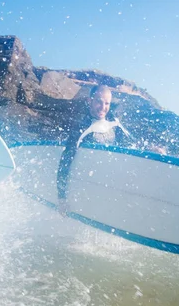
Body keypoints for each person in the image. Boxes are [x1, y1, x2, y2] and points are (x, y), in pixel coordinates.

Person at [56, 85, 133, 214]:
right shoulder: (82, 128)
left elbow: (131, 143)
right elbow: (65, 161)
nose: (103, 107)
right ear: (89, 101)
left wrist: (152, 150)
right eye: (99, 101)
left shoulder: (114, 123)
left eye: (107, 103)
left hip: (111, 184)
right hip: (92, 186)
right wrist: (62, 198)